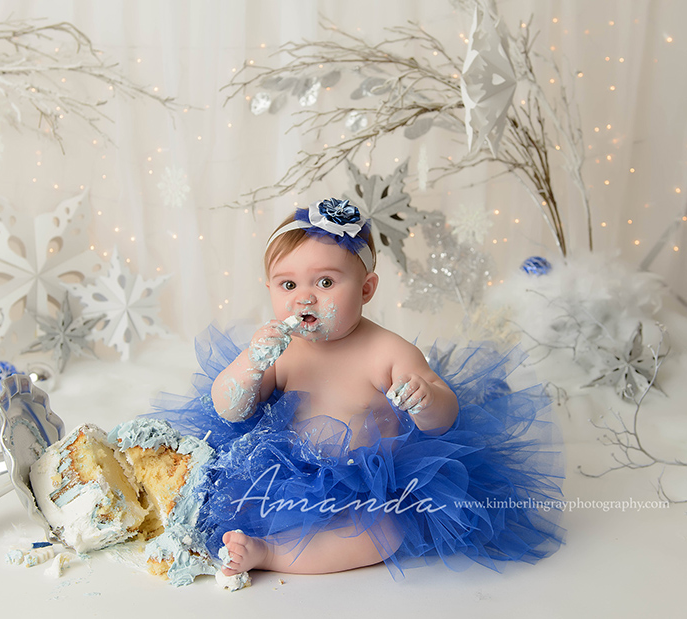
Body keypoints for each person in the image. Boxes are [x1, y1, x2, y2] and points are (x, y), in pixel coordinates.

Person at [155, 197, 564, 578]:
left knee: (384, 531)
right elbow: (230, 409)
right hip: (285, 474)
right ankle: (261, 538)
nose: (305, 299)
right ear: (269, 290)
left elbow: (443, 420)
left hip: (371, 485)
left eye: (326, 283)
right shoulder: (280, 350)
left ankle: (271, 553)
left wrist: (425, 399)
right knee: (221, 498)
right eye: (288, 285)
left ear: (366, 289)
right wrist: (251, 364)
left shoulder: (387, 351)